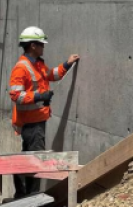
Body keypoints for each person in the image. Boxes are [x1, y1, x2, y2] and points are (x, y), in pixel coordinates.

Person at [8, 26, 79, 198]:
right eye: (41, 44)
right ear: (33, 45)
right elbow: (15, 95)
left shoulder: (38, 64)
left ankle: (22, 195)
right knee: (36, 161)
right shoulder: (21, 68)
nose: (43, 47)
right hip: (30, 123)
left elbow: (52, 74)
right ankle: (32, 197)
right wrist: (39, 96)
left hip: (37, 120)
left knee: (28, 158)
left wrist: (67, 64)